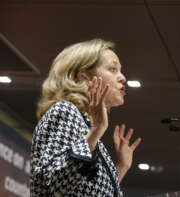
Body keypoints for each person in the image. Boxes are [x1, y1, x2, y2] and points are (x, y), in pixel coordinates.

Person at [30, 38, 142, 196]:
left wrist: (121, 166)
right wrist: (96, 131)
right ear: (83, 76)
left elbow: (86, 190)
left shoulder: (88, 131)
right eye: (112, 69)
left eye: (120, 70)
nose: (123, 77)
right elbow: (53, 185)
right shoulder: (65, 111)